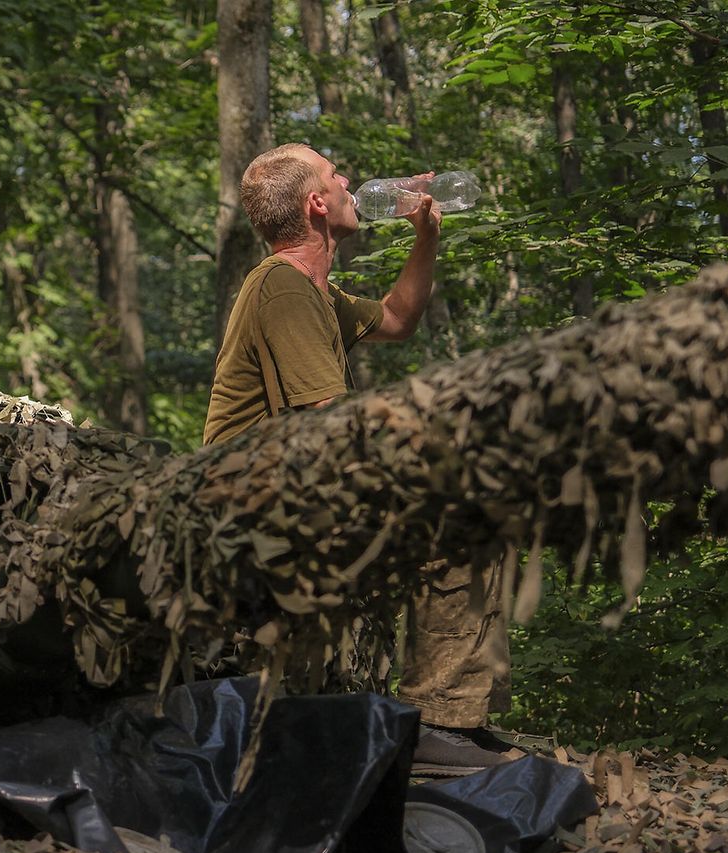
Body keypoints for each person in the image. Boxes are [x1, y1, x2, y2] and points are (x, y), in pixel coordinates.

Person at [204, 142, 520, 776]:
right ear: (317, 203)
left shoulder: (315, 293)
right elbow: (337, 426)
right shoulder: (283, 289)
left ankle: (456, 722)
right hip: (249, 510)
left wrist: (425, 237)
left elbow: (400, 318)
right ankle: (437, 726)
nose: (350, 180)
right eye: (333, 173)